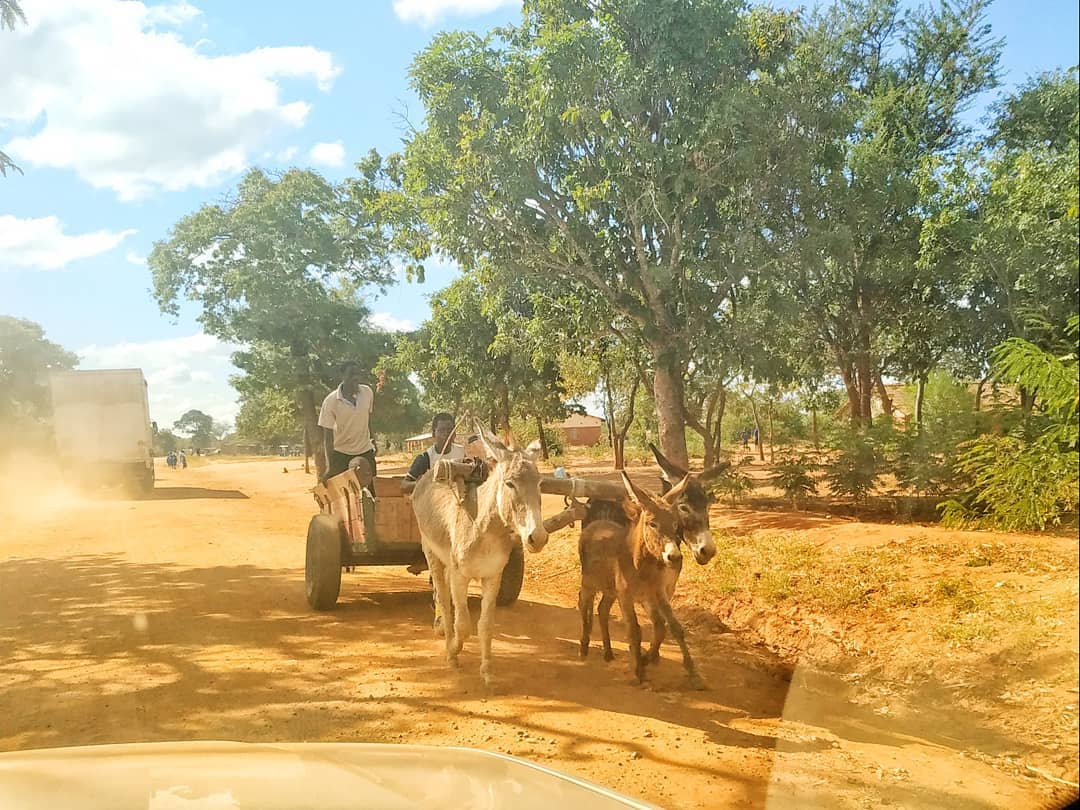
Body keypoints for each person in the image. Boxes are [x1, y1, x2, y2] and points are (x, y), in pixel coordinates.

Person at [318, 361, 376, 481]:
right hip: (342, 454)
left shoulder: (367, 393)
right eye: (351, 374)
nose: (355, 378)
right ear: (342, 375)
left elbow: (367, 418)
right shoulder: (331, 401)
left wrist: (372, 439)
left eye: (357, 374)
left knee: (372, 492)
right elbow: (328, 438)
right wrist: (330, 467)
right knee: (344, 495)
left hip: (365, 451)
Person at [399, 413, 465, 496]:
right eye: (441, 430)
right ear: (434, 434)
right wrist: (424, 483)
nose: (446, 434)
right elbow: (404, 486)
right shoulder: (425, 458)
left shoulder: (461, 452)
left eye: (450, 430)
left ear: (454, 433)